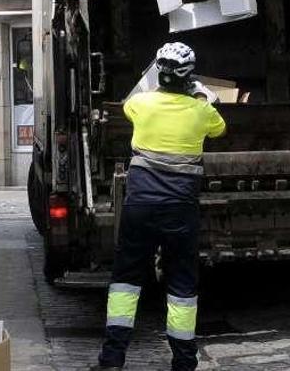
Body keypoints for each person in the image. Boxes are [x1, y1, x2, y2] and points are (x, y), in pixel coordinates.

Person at [97, 42, 226, 371]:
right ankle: (184, 362)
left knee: (126, 280)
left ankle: (112, 359)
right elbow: (220, 126)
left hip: (140, 204)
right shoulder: (202, 112)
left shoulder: (142, 104)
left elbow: (127, 105)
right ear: (188, 77)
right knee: (181, 283)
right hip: (179, 210)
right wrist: (201, 93)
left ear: (159, 73)